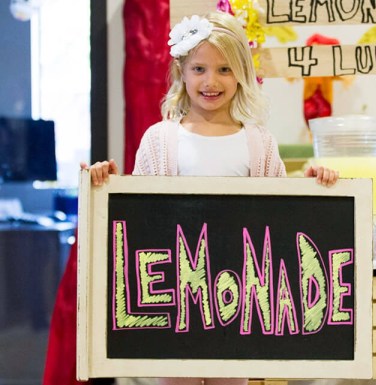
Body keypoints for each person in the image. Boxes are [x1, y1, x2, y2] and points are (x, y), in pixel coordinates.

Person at [82, 11, 338, 385]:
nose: (211, 81)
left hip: (239, 298)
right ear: (182, 73)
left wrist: (314, 185)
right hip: (178, 296)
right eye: (199, 69)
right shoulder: (160, 139)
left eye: (224, 69)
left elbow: (282, 214)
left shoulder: (258, 141)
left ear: (240, 75)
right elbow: (141, 220)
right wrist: (107, 184)